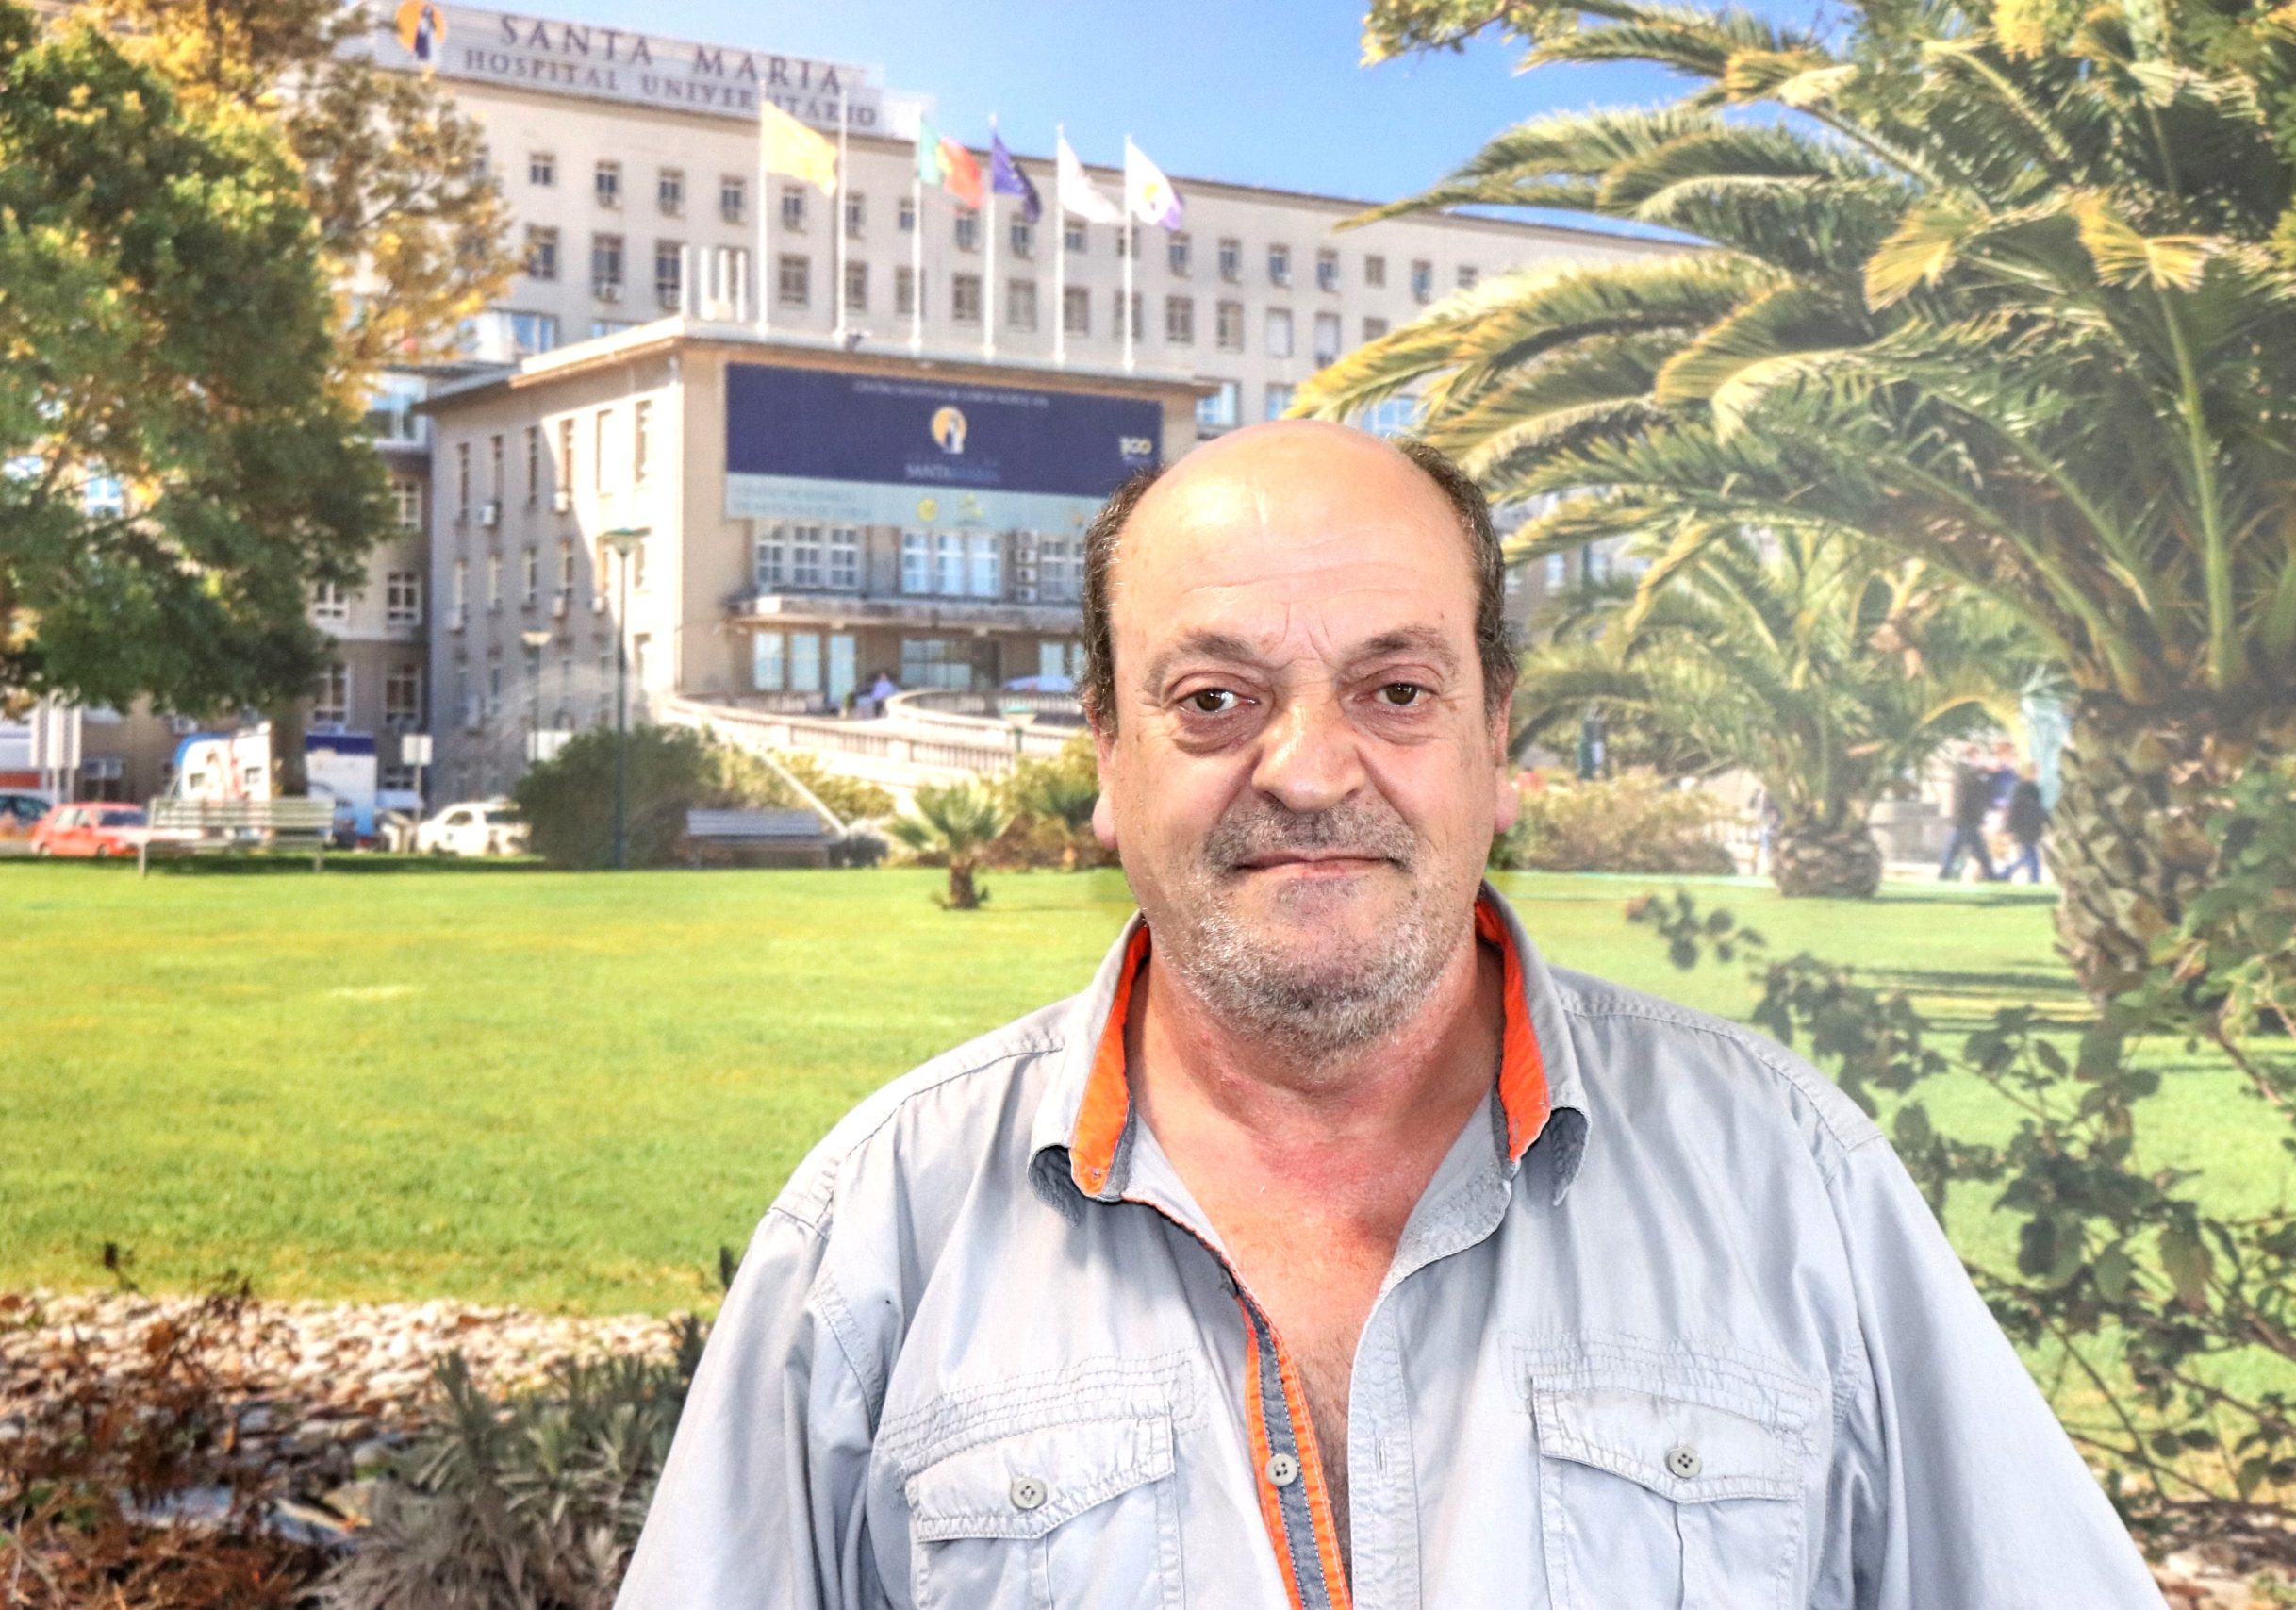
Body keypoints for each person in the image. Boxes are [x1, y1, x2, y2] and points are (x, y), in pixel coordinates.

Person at [617, 423, 2159, 1609]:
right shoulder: (879, 1233)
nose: (1308, 769)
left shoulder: (1792, 1185)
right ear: (1105, 755)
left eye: (1396, 689)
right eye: (1214, 699)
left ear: (1496, 735)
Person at [1939, 743, 1998, 882]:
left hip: (1972, 818)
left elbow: (1983, 789)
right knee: (1959, 849)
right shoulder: (1962, 768)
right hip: (1963, 817)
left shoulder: (1975, 771)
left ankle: (1990, 875)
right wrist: (1985, 769)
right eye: (1976, 754)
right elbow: (1970, 776)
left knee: (1975, 851)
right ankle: (1990, 874)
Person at [2007, 762, 2049, 883]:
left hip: (2027, 827)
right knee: (2030, 855)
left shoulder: (2023, 788)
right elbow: (2031, 808)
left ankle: (2033, 879)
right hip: (2027, 827)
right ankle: (2033, 879)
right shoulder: (2027, 789)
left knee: (2028, 855)